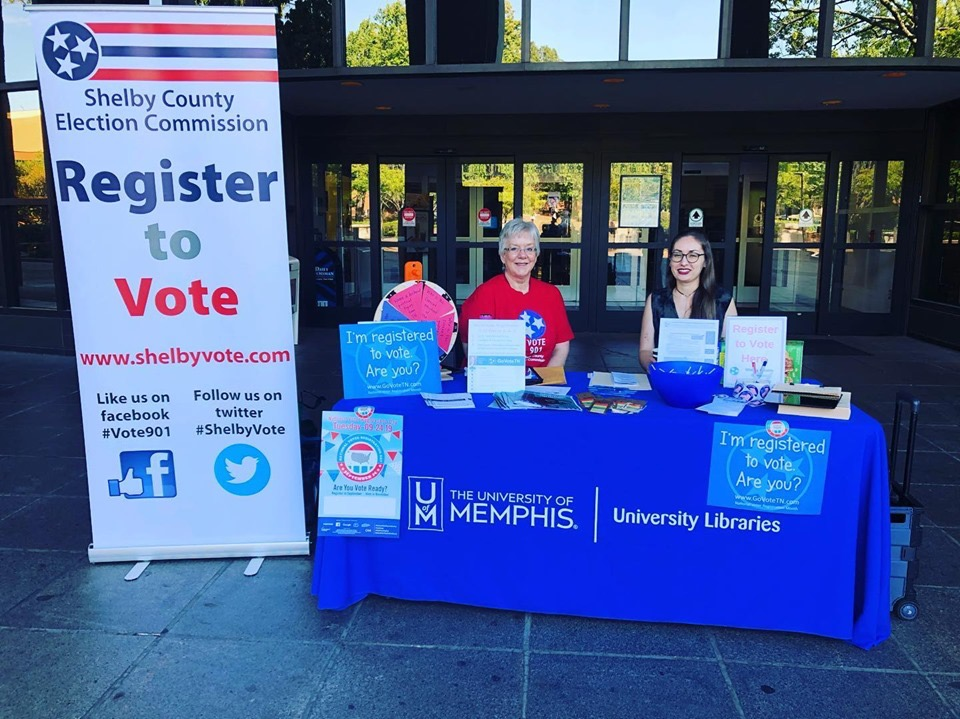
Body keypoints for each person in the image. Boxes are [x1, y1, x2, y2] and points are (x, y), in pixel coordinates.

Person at [461, 218, 573, 367]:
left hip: (543, 382)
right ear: (503, 256)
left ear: (536, 255)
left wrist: (546, 382)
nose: (522, 255)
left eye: (529, 248)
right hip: (498, 383)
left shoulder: (551, 294)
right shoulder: (484, 294)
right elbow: (472, 350)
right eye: (514, 248)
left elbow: (561, 346)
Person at [638, 230, 737, 371]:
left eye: (693, 255)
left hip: (706, 383)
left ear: (705, 262)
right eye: (677, 255)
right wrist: (651, 366)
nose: (684, 262)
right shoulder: (656, 300)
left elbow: (730, 350)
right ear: (670, 261)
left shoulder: (722, 300)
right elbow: (645, 350)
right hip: (667, 380)